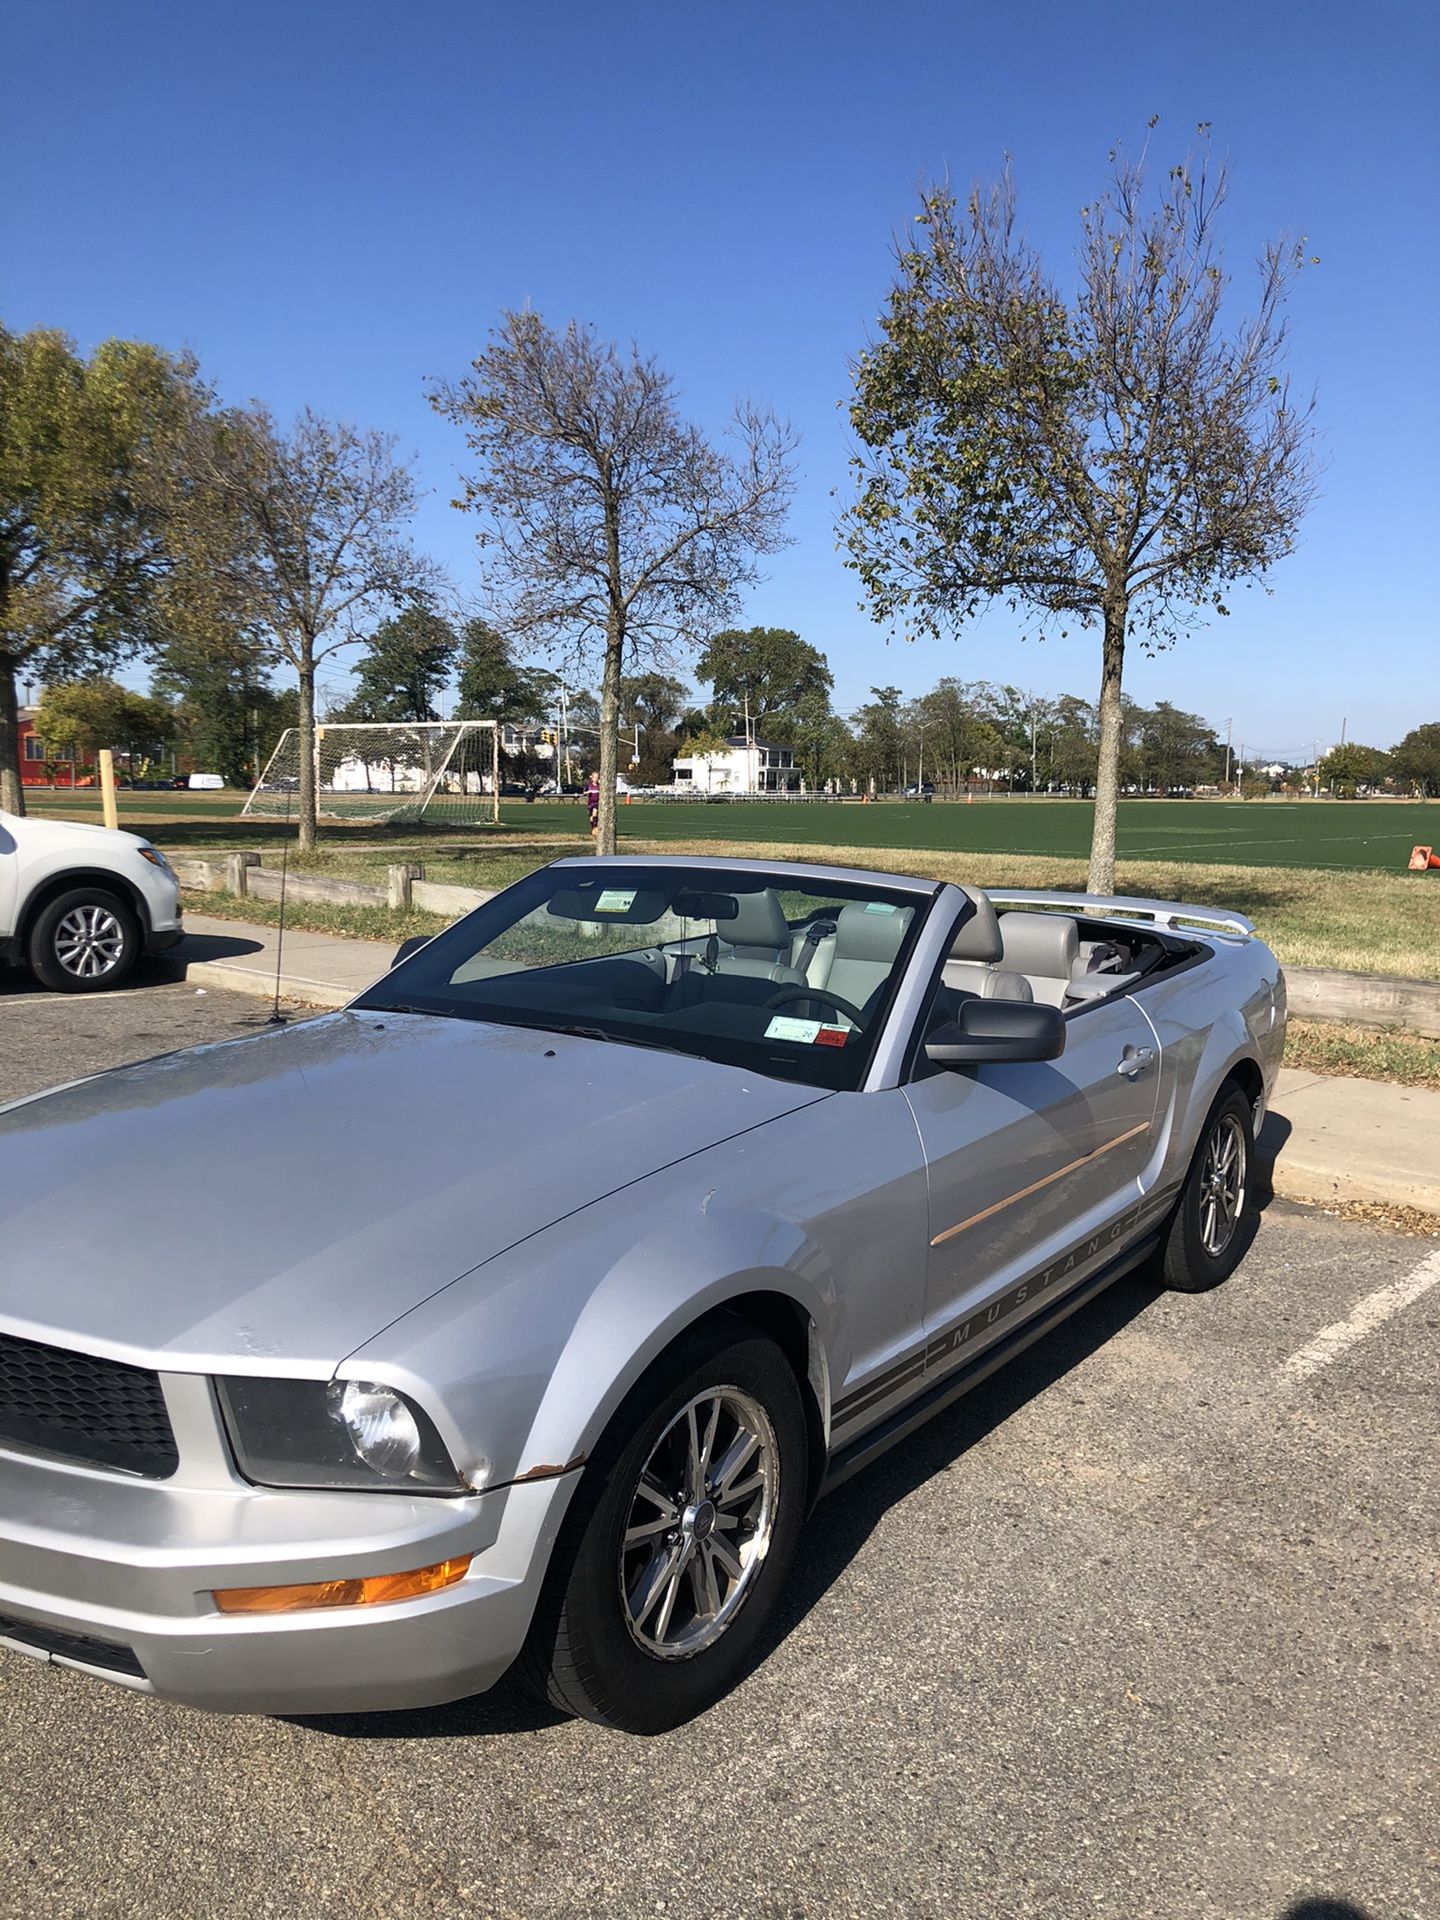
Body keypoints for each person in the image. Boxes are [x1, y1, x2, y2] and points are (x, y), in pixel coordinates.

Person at [585, 771, 600, 837]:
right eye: (595, 777)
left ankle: (596, 828)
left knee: (595, 814)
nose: (596, 779)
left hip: (596, 803)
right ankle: (593, 829)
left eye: (597, 777)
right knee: (591, 818)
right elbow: (584, 792)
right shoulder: (589, 786)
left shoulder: (599, 786)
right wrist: (588, 792)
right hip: (590, 803)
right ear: (592, 778)